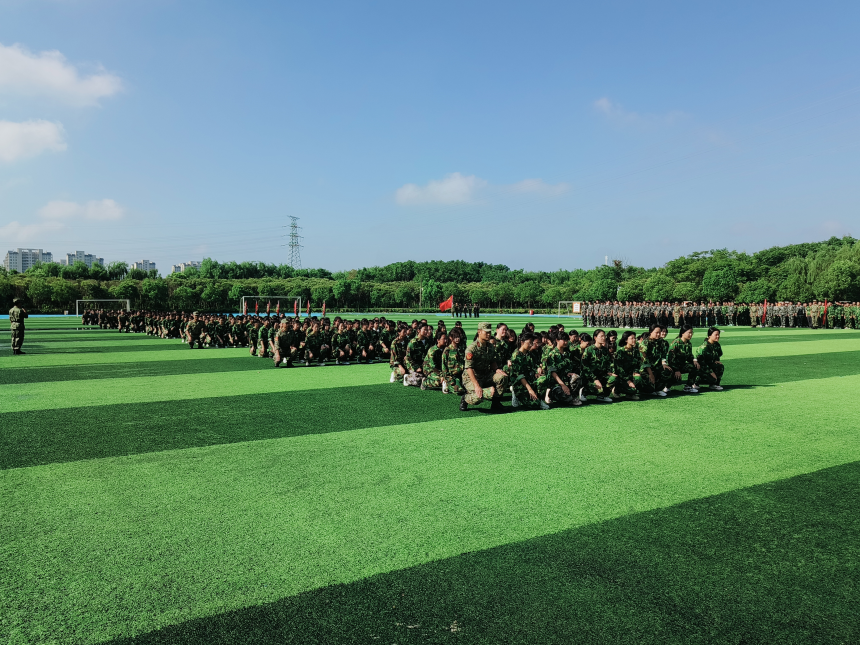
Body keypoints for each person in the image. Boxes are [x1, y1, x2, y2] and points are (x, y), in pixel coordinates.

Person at [460, 321, 509, 412]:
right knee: (481, 396)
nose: (489, 334)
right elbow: (469, 368)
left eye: (489, 332)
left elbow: (492, 361)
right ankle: (465, 398)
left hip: (485, 374)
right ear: (479, 332)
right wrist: (476, 385)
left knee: (502, 377)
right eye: (486, 332)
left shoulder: (490, 346)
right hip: (472, 377)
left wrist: (497, 369)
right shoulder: (472, 348)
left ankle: (496, 404)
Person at [508, 333, 545, 409]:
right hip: (520, 383)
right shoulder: (516, 356)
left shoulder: (529, 354)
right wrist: (530, 389)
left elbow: (533, 366)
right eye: (529, 343)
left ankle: (539, 398)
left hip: (530, 380)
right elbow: (520, 376)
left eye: (532, 343)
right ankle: (516, 394)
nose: (531, 345)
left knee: (543, 379)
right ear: (522, 342)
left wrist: (537, 372)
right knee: (534, 404)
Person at [580, 329, 616, 403]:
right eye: (601, 336)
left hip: (602, 375)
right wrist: (594, 379)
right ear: (595, 338)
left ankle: (603, 396)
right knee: (597, 388)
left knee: (614, 378)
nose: (603, 338)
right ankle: (584, 391)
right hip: (590, 377)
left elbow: (608, 363)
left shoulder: (605, 350)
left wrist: (610, 372)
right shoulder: (589, 350)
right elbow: (585, 367)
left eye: (604, 336)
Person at [667, 325, 700, 393]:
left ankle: (688, 386)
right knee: (673, 376)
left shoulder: (688, 343)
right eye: (689, 333)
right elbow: (670, 359)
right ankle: (667, 386)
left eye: (692, 333)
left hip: (681, 365)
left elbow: (689, 356)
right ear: (683, 333)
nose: (691, 335)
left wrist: (694, 361)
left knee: (694, 367)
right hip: (673, 366)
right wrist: (676, 370)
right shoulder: (676, 343)